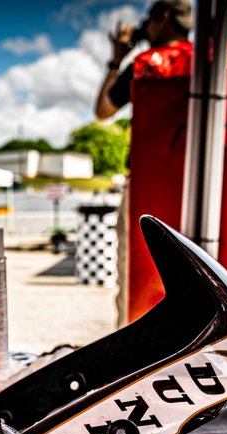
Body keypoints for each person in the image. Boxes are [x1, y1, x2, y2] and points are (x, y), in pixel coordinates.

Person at [93, 0, 192, 328]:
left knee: (137, 272)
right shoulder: (208, 63)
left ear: (162, 18)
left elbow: (103, 110)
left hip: (149, 183)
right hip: (201, 182)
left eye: (147, 21)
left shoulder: (147, 64)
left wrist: (117, 59)